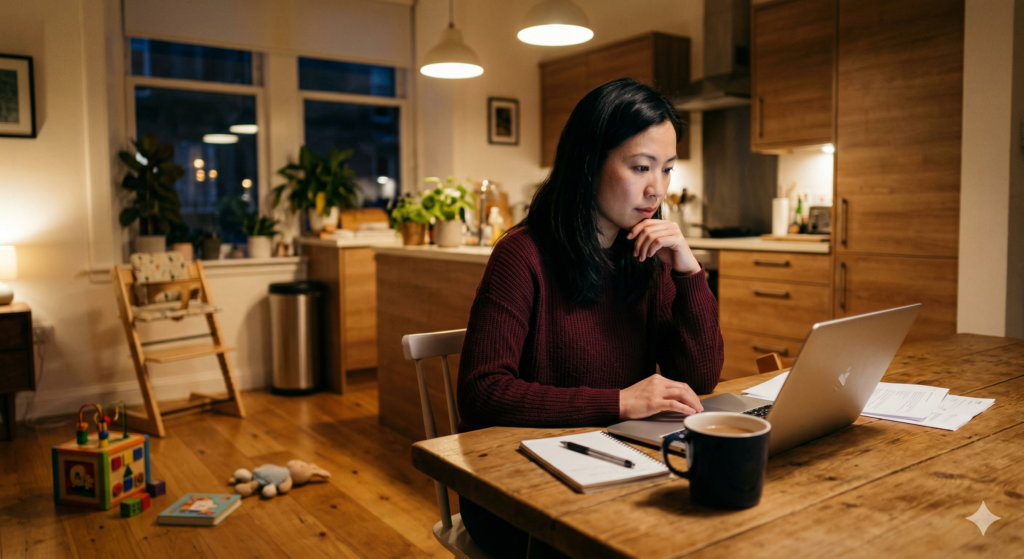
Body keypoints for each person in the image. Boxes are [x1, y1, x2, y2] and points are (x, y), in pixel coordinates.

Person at [455, 78, 724, 558]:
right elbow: (483, 393)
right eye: (640, 167)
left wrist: (687, 268)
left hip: (617, 464)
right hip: (515, 490)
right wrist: (619, 401)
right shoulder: (522, 255)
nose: (656, 189)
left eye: (666, 170)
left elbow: (699, 378)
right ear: (589, 163)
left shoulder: (644, 253)